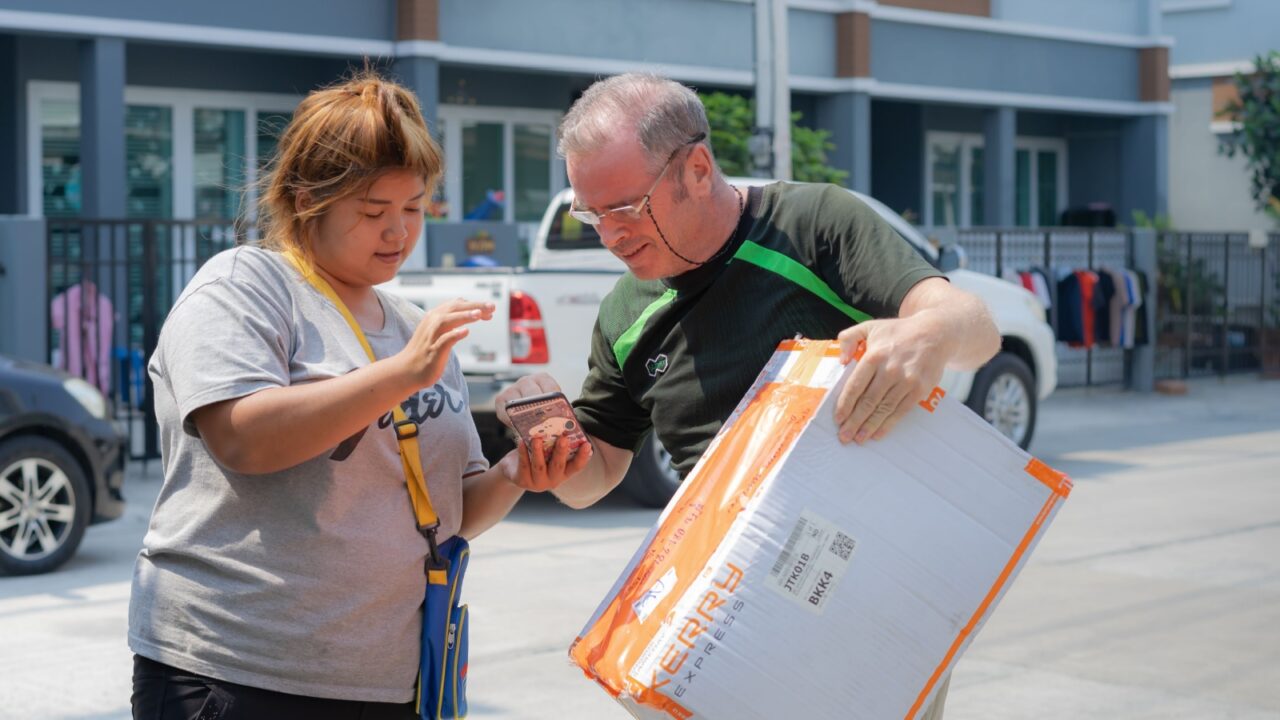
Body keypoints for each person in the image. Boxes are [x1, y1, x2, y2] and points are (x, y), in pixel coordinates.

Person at [495, 72, 1003, 719]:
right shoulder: (624, 314)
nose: (610, 234)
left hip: (868, 586)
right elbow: (592, 478)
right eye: (590, 214)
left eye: (624, 209)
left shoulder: (813, 226)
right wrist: (553, 445)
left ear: (697, 169)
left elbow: (974, 329)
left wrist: (929, 331)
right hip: (725, 611)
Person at [128, 70, 589, 719]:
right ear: (305, 197)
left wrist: (518, 472)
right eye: (374, 212)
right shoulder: (244, 285)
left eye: (414, 208)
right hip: (240, 667)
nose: (398, 232)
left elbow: (445, 513)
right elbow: (243, 437)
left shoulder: (408, 324)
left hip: (391, 678)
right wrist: (402, 373)